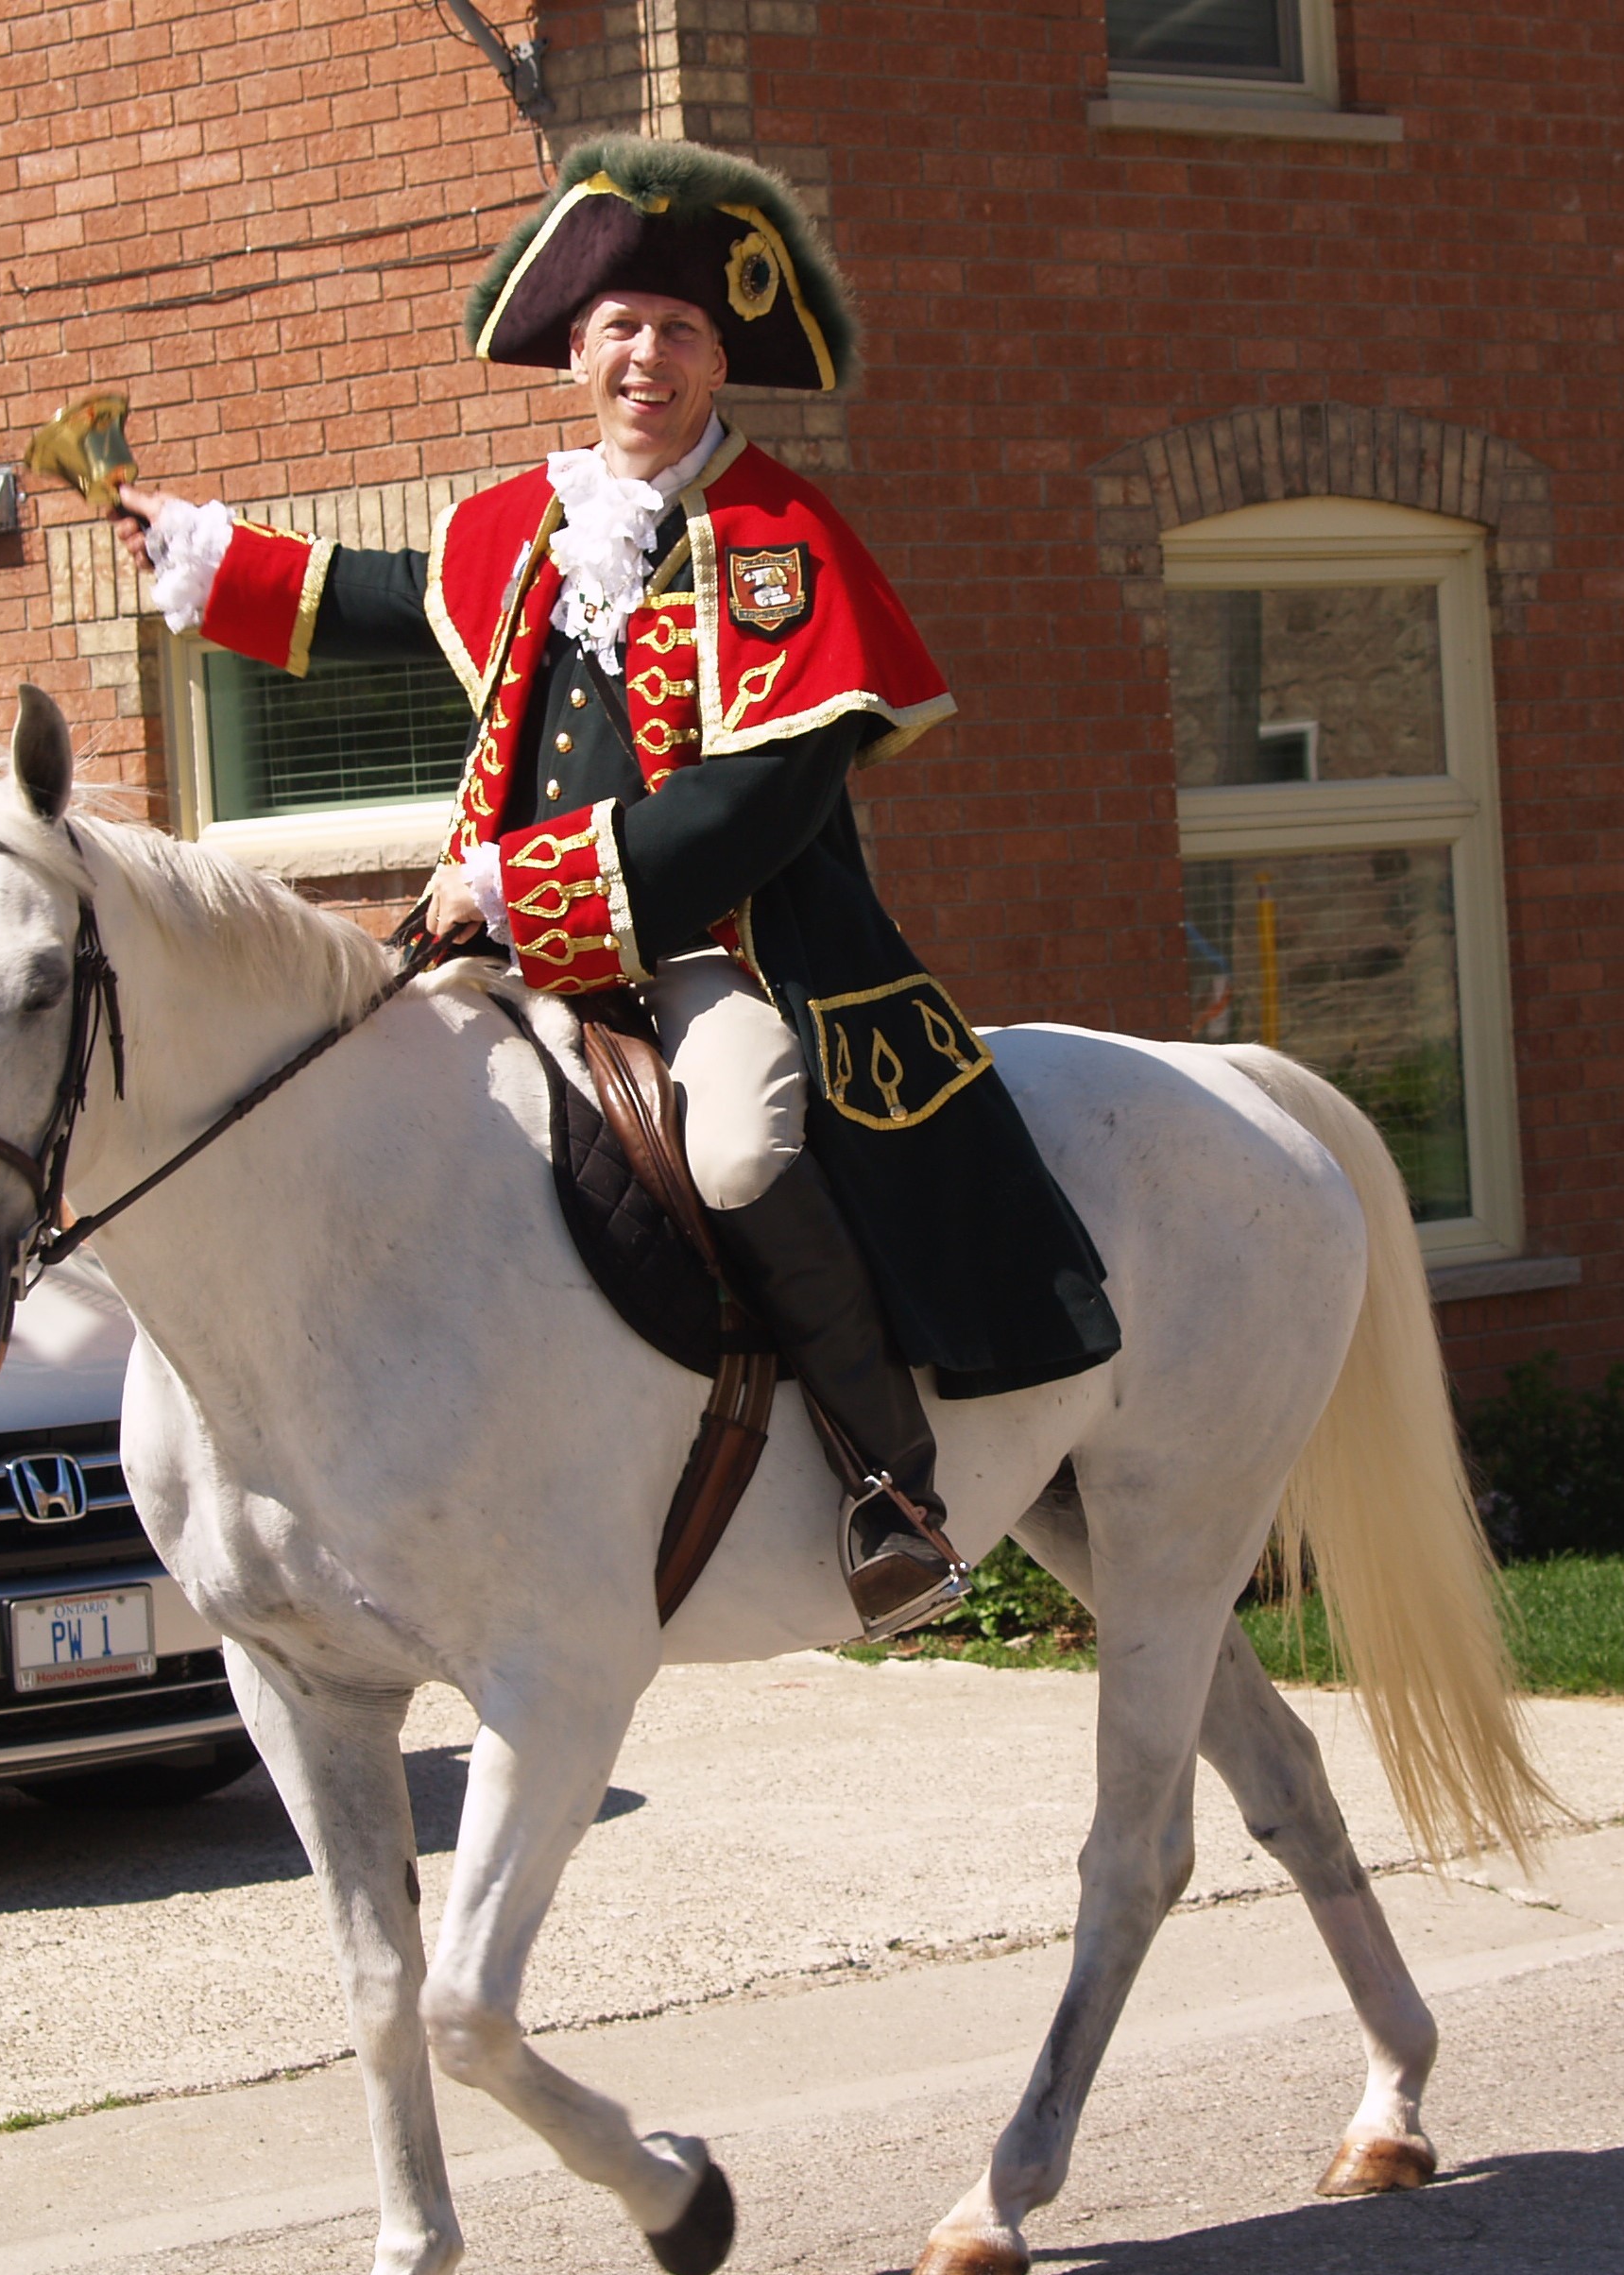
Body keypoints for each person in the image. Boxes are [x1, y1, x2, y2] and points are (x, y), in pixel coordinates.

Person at [112, 137, 1119, 1636]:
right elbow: (376, 596)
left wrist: (517, 886)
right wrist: (194, 549)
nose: (650, 358)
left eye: (685, 334)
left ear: (725, 363)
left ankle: (889, 1488)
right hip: (511, 961)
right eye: (625, 330)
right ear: (576, 348)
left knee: (738, 1153)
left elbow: (765, 800)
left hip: (720, 953)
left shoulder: (782, 542)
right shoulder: (521, 526)